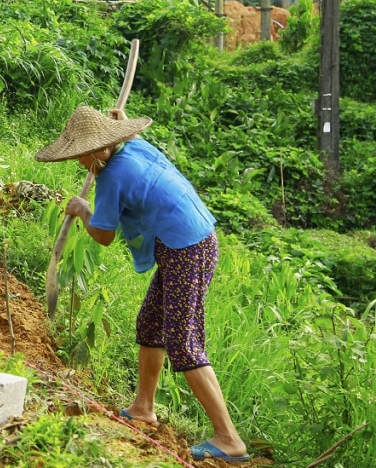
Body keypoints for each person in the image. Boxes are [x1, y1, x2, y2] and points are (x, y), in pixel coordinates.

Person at [36, 106, 249, 464]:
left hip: (187, 248)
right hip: (184, 241)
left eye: (81, 155)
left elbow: (103, 235)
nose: (78, 163)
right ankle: (143, 407)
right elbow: (131, 137)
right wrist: (121, 126)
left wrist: (81, 209)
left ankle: (229, 438)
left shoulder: (111, 178)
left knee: (183, 340)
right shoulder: (133, 146)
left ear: (102, 150)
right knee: (151, 323)